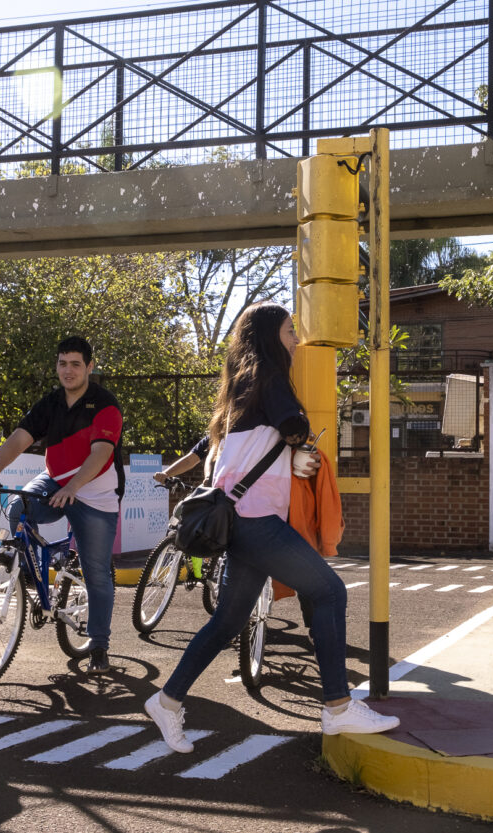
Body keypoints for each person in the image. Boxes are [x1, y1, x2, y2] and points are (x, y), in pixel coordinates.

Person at [143, 303, 399, 753]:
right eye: (288, 332)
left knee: (228, 620)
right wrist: (297, 443)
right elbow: (295, 426)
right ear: (267, 338)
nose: (296, 341)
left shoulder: (239, 388)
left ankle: (167, 700)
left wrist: (287, 450)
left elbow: (241, 450)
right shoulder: (270, 376)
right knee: (329, 591)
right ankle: (338, 707)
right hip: (256, 520)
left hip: (238, 519)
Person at [0, 336, 124, 674]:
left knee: (97, 573)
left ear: (90, 367)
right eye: (62, 363)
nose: (68, 371)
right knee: (17, 508)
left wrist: (74, 486)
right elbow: (19, 439)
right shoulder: (51, 402)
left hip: (94, 492)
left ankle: (99, 646)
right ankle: (31, 574)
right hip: (55, 480)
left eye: (76, 364)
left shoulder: (105, 404)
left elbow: (101, 453)